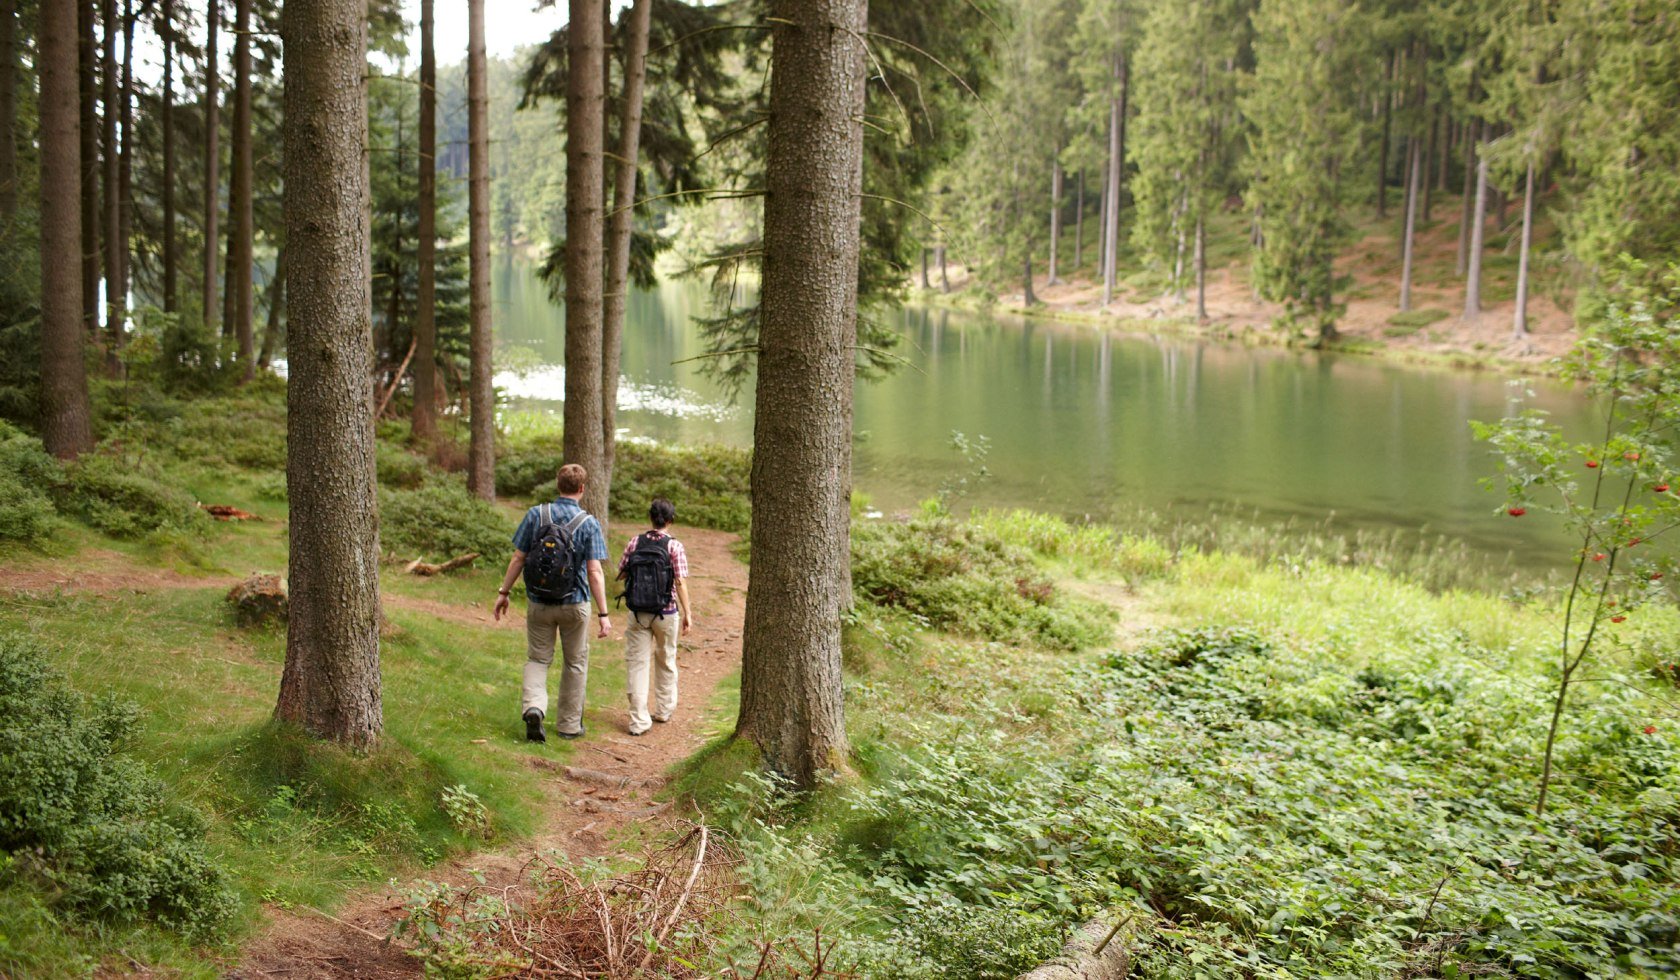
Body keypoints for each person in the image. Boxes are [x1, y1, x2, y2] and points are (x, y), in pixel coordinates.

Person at [494, 463, 611, 743]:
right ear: (582, 489)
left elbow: (518, 558)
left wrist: (504, 592)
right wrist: (604, 613)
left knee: (538, 658)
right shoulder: (589, 523)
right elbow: (594, 571)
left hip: (539, 602)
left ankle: (534, 707)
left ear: (557, 485)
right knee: (575, 664)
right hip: (575, 604)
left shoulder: (536, 514)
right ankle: (569, 726)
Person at [615, 498, 692, 736]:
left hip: (638, 612)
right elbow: (680, 582)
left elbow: (621, 573)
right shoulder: (674, 546)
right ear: (670, 520)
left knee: (637, 664)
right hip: (666, 612)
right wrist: (688, 613)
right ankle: (663, 710)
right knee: (666, 659)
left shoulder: (635, 542)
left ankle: (638, 721)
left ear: (651, 518)